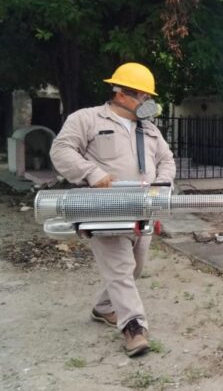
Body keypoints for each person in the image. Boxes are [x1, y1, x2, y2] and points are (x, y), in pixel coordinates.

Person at [50, 62, 176, 357]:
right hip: (105, 210)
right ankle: (134, 328)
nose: (148, 102)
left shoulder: (150, 129)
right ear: (121, 94)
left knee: (135, 267)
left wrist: (162, 183)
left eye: (149, 97)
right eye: (143, 96)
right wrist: (91, 173)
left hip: (142, 208)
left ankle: (103, 307)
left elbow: (167, 160)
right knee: (120, 268)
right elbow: (61, 150)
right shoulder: (87, 119)